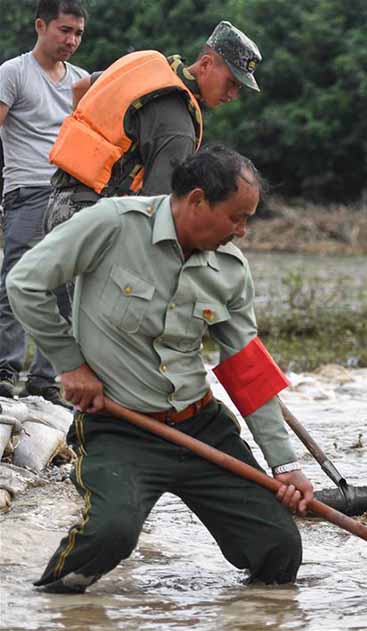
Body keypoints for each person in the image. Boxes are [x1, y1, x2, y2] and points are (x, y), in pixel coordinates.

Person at [7, 146, 314, 593]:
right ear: (196, 201)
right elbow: (25, 283)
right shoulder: (111, 224)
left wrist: (284, 465)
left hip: (200, 429)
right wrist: (70, 364)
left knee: (279, 550)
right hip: (120, 428)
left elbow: (247, 370)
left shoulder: (230, 269)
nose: (243, 232)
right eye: (236, 217)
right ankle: (58, 606)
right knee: (109, 536)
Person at [44, 19, 261, 232]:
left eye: (239, 88)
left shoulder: (144, 65)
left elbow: (80, 87)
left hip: (56, 203)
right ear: (205, 64)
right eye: (231, 82)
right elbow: (156, 208)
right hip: (94, 219)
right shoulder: (180, 128)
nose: (233, 94)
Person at [0, 0, 88, 403]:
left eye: (78, 34)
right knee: (17, 279)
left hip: (71, 192)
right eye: (64, 30)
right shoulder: (13, 73)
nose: (71, 40)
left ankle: (45, 379)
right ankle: (6, 367)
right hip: (28, 188)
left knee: (66, 288)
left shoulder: (82, 81)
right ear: (41, 26)